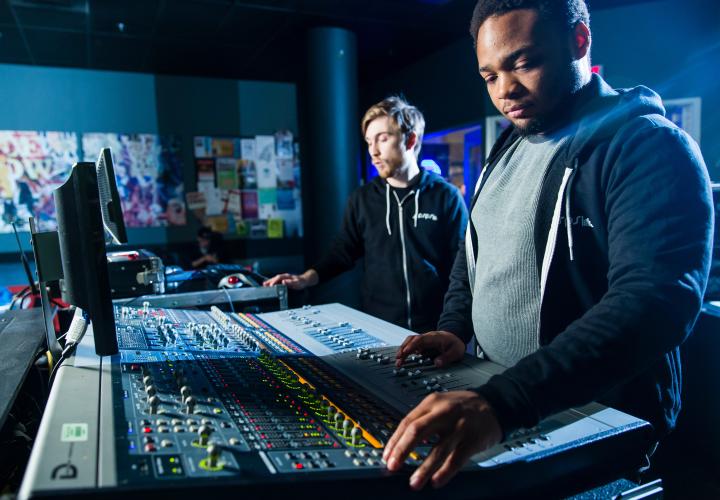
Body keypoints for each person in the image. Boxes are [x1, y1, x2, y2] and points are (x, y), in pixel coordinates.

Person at [383, 0, 714, 490]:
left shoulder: (646, 146)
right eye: (489, 76)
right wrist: (454, 328)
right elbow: (474, 254)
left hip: (594, 426)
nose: (505, 91)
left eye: (523, 63)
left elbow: (653, 302)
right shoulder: (508, 146)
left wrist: (505, 401)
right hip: (505, 400)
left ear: (579, 41)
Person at [264, 97, 468, 333]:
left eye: (383, 138)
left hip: (435, 329)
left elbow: (462, 267)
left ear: (410, 140)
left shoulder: (446, 196)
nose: (373, 151)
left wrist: (454, 329)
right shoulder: (362, 199)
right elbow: (342, 252)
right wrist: (305, 278)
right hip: (379, 327)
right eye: (369, 141)